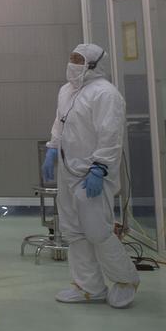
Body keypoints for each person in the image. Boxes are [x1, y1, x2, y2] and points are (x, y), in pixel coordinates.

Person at [43, 43, 139, 308]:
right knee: (73, 231)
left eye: (78, 60)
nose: (72, 64)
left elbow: (110, 135)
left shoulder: (106, 94)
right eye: (71, 57)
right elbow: (59, 123)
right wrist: (52, 149)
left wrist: (100, 167)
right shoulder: (66, 91)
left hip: (94, 173)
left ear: (93, 65)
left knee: (98, 231)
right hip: (68, 170)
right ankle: (89, 286)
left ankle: (125, 279)